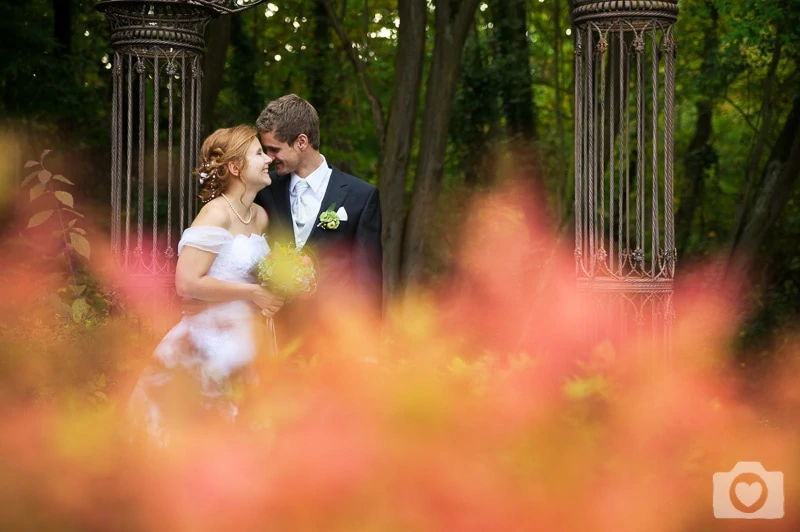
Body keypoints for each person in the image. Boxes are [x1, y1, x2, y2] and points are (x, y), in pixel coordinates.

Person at [129, 125, 283, 446]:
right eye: (258, 153)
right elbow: (187, 282)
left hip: (251, 341)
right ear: (235, 167)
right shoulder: (215, 214)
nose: (267, 159)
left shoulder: (260, 216)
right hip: (209, 340)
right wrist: (252, 292)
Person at [254, 94, 382, 351]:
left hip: (336, 339)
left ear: (302, 141)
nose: (268, 158)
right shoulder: (264, 190)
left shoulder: (360, 195)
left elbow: (368, 278)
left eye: (274, 149)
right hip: (275, 337)